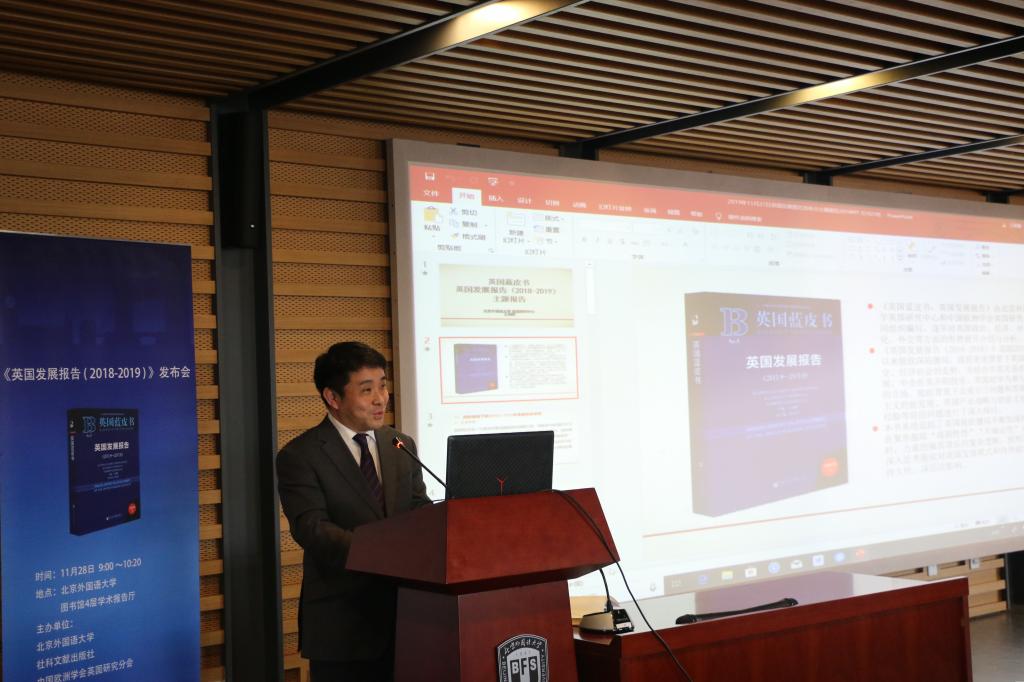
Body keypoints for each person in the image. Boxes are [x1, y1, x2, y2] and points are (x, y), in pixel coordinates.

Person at [276, 341, 431, 682]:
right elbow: (312, 529)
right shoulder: (300, 456)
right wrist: (384, 554)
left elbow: (418, 508)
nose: (380, 399)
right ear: (333, 398)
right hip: (343, 626)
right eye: (366, 390)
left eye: (383, 386)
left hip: (409, 619)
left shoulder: (400, 444)